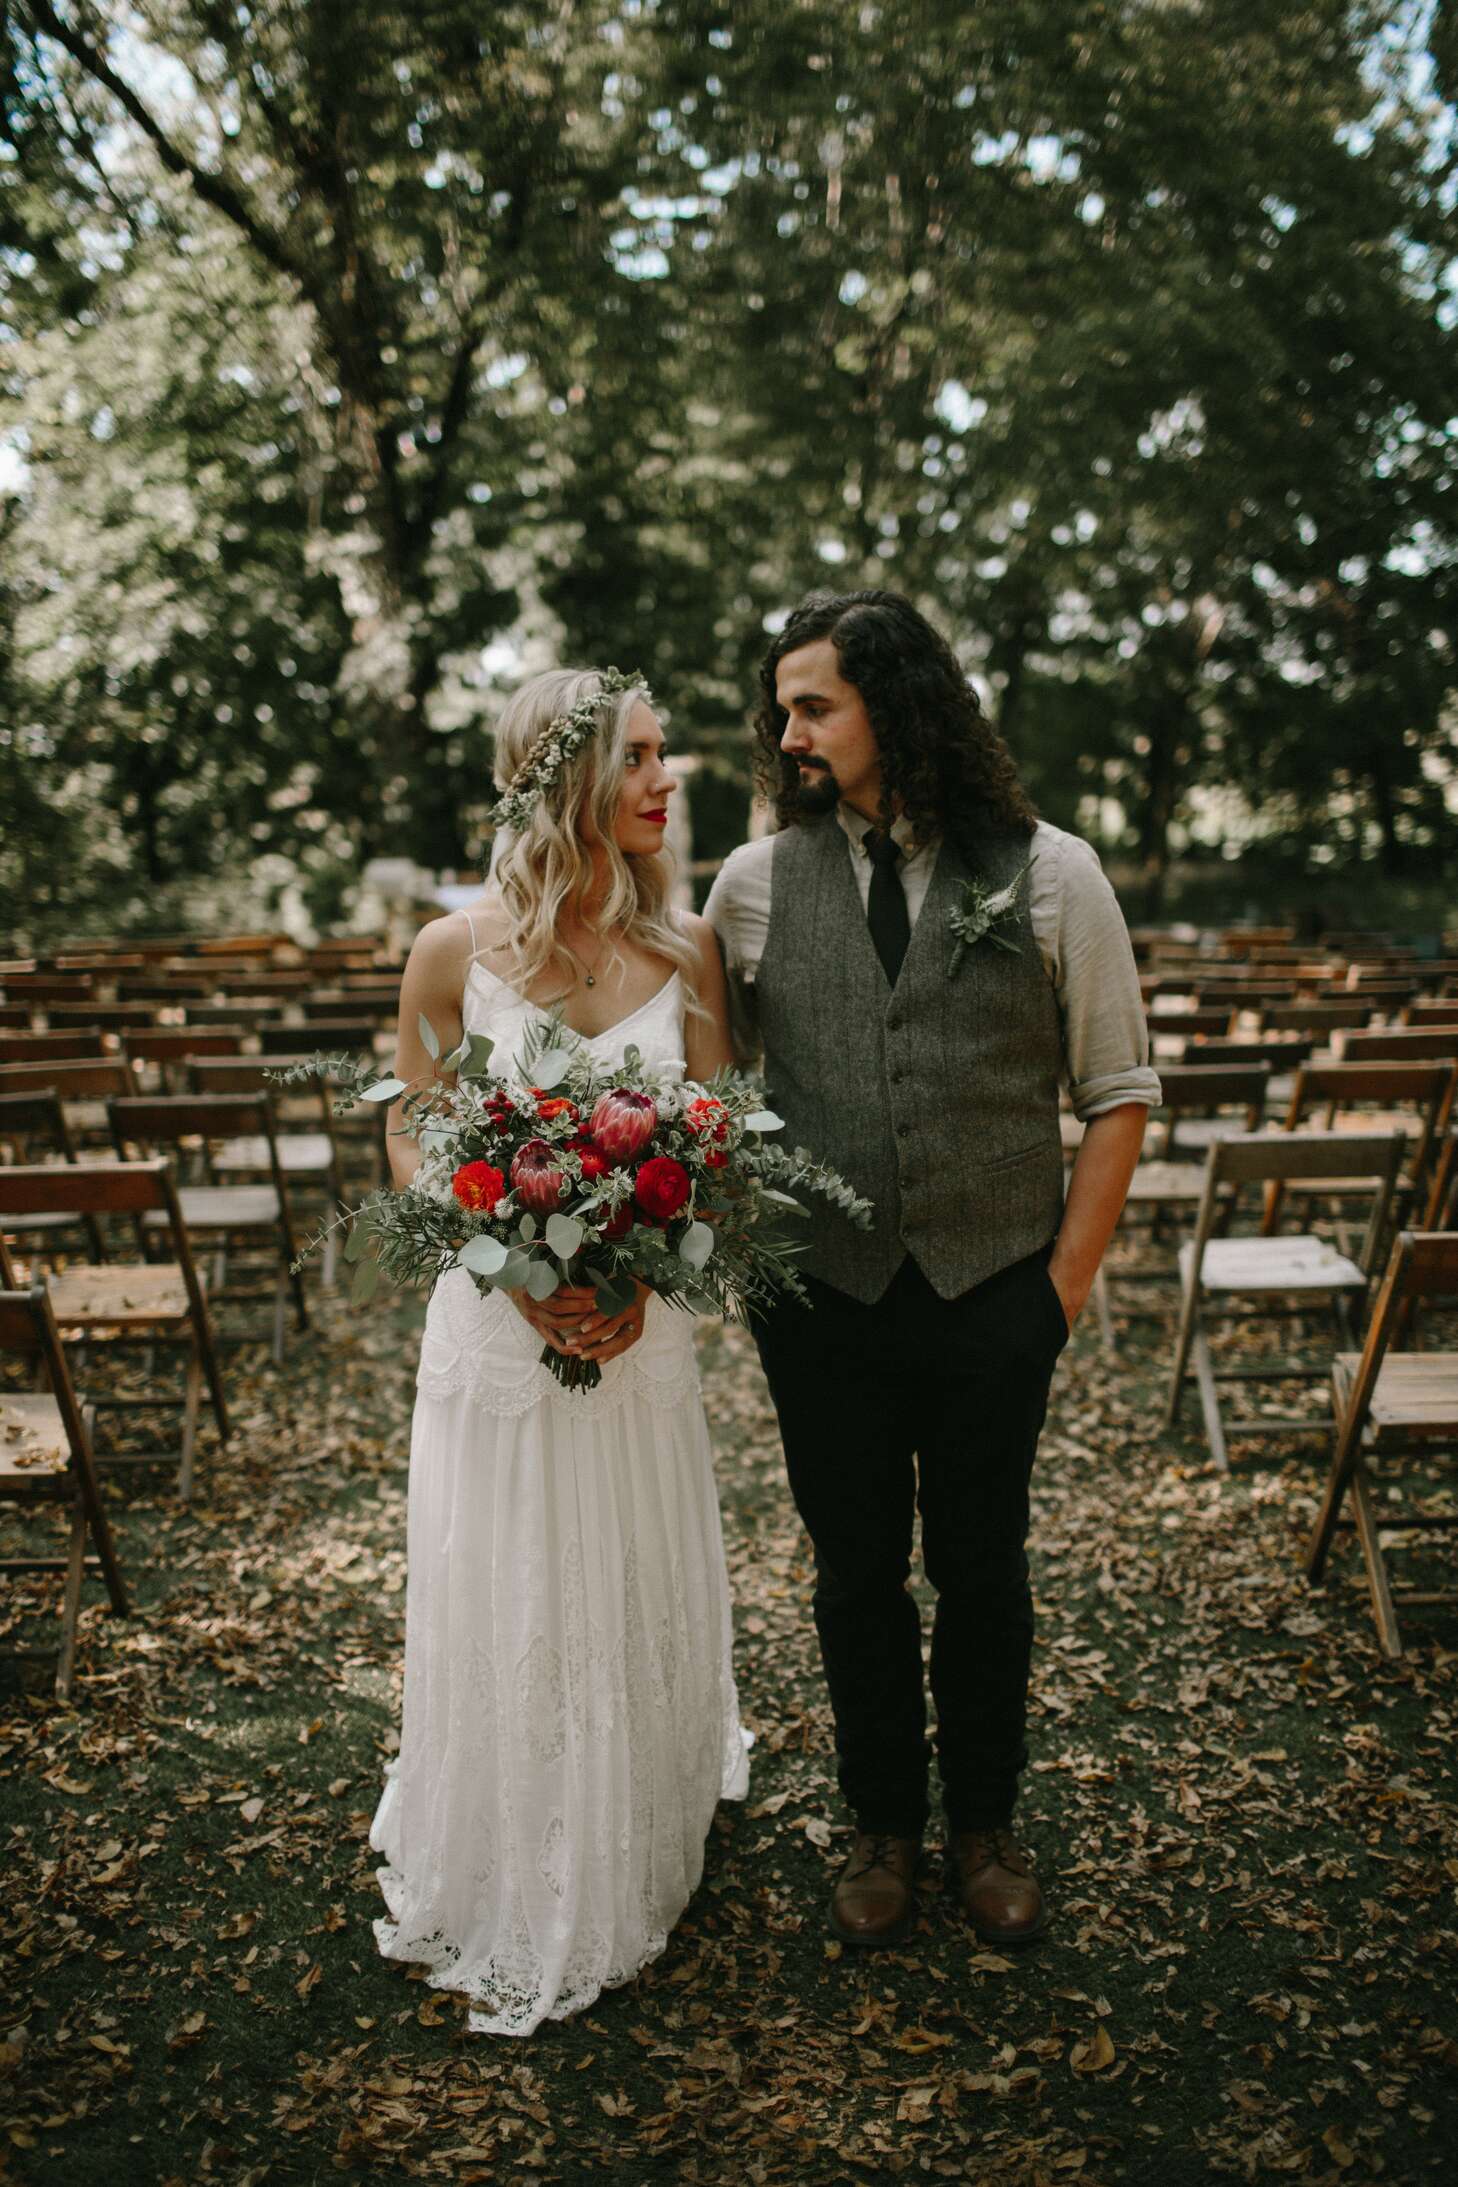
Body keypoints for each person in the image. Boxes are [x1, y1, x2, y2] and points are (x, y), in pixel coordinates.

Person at [705, 590, 1159, 1950]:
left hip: (992, 1296)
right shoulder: (746, 887)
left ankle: (983, 1826)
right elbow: (705, 1104)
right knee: (852, 1575)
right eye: (782, 707)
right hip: (822, 1306)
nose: (786, 731)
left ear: (893, 709)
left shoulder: (1053, 872)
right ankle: (881, 1829)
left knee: (982, 1567)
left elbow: (1118, 1094)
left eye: (813, 705)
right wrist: (754, 1260)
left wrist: (1054, 1296)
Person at [370, 667, 750, 2036]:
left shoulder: (688, 948)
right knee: (510, 1565)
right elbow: (413, 1126)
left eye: (664, 755)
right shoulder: (447, 951)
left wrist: (652, 1267)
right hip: (491, 1328)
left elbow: (712, 1136)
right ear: (561, 777)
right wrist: (499, 1259)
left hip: (638, 1331)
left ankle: (634, 1803)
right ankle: (513, 1819)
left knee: (625, 1561)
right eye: (636, 757)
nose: (664, 779)